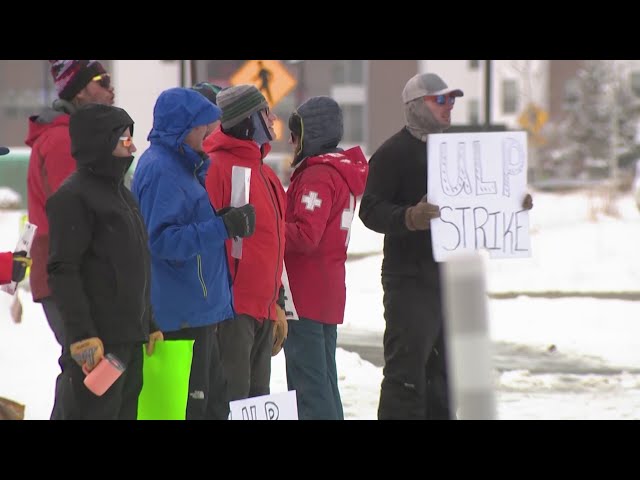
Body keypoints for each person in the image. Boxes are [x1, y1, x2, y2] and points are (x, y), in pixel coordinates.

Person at [359, 72, 533, 420]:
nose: (449, 105)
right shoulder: (392, 153)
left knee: (446, 374)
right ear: (415, 106)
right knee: (407, 373)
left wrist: (514, 203)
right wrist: (409, 216)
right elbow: (370, 210)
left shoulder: (460, 150)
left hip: (452, 279)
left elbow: (484, 197)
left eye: (452, 99)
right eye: (440, 99)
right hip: (408, 279)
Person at [132, 87, 256, 420]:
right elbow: (161, 241)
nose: (209, 132)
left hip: (195, 310)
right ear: (182, 127)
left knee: (213, 406)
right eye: (202, 125)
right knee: (193, 409)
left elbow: (181, 224)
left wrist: (218, 220)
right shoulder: (162, 169)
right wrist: (222, 228)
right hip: (180, 315)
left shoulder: (181, 165)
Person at [46, 103, 163, 420]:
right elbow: (62, 271)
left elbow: (135, 267)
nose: (133, 146)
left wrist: (148, 323)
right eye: (124, 138)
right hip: (98, 348)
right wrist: (83, 334)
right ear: (100, 142)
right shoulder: (73, 197)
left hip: (129, 340)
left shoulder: (123, 196)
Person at [25, 60, 114, 419]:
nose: (110, 86)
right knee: (86, 370)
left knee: (85, 371)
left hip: (72, 271)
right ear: (79, 91)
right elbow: (75, 217)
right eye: (101, 80)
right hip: (67, 274)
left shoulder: (77, 134)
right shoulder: (64, 140)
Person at [283, 96, 369, 420]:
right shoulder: (340, 172)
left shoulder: (317, 175)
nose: (291, 142)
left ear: (311, 135)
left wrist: (268, 227)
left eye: (296, 134)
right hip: (327, 291)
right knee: (324, 383)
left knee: (308, 388)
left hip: (305, 295)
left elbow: (306, 235)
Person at [203, 84, 287, 402]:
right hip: (232, 311)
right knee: (230, 399)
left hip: (264, 308)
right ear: (249, 120)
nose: (273, 119)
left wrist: (277, 302)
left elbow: (275, 245)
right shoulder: (215, 167)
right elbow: (208, 239)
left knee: (257, 399)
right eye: (265, 112)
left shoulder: (267, 175)